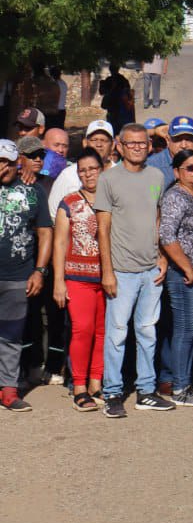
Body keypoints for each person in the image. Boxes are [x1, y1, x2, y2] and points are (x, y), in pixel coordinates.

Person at [93, 123, 171, 417]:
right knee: (116, 334)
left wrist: (162, 255)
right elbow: (103, 228)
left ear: (150, 146)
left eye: (143, 143)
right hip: (122, 271)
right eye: (132, 143)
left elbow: (158, 217)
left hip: (151, 270)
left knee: (147, 332)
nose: (138, 147)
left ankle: (146, 391)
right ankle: (112, 392)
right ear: (120, 146)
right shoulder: (109, 179)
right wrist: (108, 272)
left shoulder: (157, 176)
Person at [156, 149, 193, 408]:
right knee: (184, 330)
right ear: (177, 172)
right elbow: (167, 236)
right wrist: (187, 267)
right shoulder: (175, 197)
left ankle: (184, 383)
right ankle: (180, 387)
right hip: (185, 277)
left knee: (192, 329)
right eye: (190, 168)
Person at [0, 140, 52, 412]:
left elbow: (45, 231)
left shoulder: (33, 190)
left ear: (17, 161)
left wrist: (40, 270)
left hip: (18, 273)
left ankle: (8, 389)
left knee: (11, 334)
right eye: (0, 162)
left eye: (8, 162)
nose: (4, 168)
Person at [52, 150, 105, 411]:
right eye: (82, 170)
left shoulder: (111, 200)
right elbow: (60, 242)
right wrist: (59, 282)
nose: (88, 174)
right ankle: (79, 386)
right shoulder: (69, 201)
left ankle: (97, 382)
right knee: (82, 329)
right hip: (77, 276)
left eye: (92, 168)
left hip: (107, 277)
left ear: (102, 168)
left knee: (102, 332)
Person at [47, 120, 114, 217]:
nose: (99, 144)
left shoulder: (121, 174)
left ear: (112, 145)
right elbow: (53, 215)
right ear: (85, 143)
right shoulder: (68, 175)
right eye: (94, 140)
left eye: (104, 140)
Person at [98, 64, 134, 132]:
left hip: (117, 106)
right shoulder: (122, 79)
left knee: (114, 125)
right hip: (118, 106)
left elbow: (102, 92)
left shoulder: (112, 80)